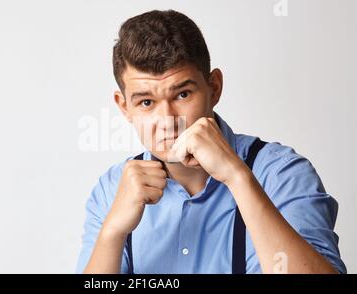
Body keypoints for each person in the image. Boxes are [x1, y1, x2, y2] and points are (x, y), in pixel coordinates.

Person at [76, 9, 346, 274]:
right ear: (124, 107)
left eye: (182, 94)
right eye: (146, 102)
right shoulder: (111, 190)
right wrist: (113, 232)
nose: (167, 119)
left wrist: (238, 178)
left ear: (214, 88)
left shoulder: (282, 174)